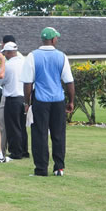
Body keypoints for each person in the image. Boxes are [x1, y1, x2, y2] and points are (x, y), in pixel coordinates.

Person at [22, 27, 75, 176]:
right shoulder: (62, 56)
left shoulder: (32, 56)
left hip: (40, 100)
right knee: (58, 134)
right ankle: (59, 167)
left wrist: (27, 103)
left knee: (40, 135)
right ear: (53, 39)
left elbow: (27, 83)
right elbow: (69, 81)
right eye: (56, 38)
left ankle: (41, 169)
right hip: (58, 100)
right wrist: (71, 101)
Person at [0, 42, 29, 159]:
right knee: (22, 126)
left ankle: (16, 152)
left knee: (13, 127)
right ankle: (24, 150)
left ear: (8, 52)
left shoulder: (8, 65)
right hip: (24, 97)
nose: (4, 55)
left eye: (5, 52)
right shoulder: (24, 62)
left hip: (12, 98)